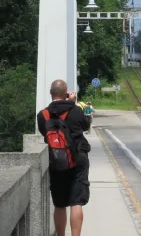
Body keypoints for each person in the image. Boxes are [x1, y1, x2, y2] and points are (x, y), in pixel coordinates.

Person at [36, 79, 91, 236]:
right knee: (76, 202)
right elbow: (85, 125)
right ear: (66, 93)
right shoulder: (75, 110)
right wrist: (72, 104)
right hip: (78, 158)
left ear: (51, 93)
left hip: (57, 160)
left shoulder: (42, 115)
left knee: (59, 204)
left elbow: (45, 133)